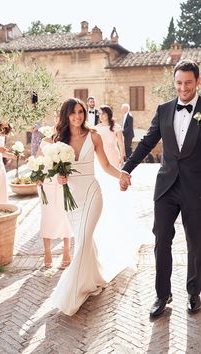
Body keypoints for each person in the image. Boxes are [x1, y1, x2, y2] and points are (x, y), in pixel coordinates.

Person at [119, 59, 201, 317]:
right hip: (166, 188)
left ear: (198, 82)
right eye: (179, 82)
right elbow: (146, 142)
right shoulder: (164, 109)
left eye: (188, 82)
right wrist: (126, 168)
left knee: (196, 244)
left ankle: (194, 292)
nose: (183, 88)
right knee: (161, 241)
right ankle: (162, 295)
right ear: (174, 82)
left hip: (196, 189)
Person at [52, 97, 122, 316]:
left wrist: (122, 175)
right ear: (66, 115)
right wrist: (59, 178)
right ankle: (93, 279)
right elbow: (56, 171)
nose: (77, 116)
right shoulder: (58, 140)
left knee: (81, 242)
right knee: (84, 240)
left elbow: (106, 165)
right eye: (73, 112)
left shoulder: (94, 136)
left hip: (92, 194)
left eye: (80, 112)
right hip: (71, 199)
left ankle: (69, 293)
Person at [36, 129, 73, 269]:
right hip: (46, 182)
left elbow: (71, 161)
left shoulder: (67, 140)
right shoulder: (45, 141)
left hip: (63, 182)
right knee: (47, 215)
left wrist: (66, 175)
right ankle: (47, 252)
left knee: (65, 215)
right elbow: (38, 159)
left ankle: (66, 251)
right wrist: (37, 175)